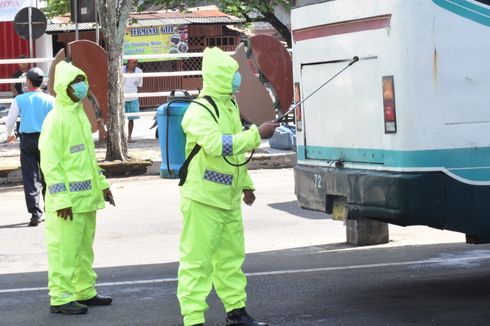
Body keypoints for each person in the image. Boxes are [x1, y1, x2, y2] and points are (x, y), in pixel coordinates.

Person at [177, 47, 279, 326]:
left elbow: (235, 155)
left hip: (229, 197)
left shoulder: (230, 105)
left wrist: (246, 184)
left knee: (231, 260)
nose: (238, 79)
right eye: (233, 74)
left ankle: (236, 311)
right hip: (203, 199)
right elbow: (217, 145)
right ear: (219, 76)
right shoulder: (199, 110)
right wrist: (257, 134)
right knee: (197, 262)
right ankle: (193, 318)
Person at [39, 61, 115, 315]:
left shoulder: (80, 114)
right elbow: (51, 164)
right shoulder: (55, 119)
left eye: (81, 81)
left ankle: (84, 290)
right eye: (75, 83)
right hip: (67, 203)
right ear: (63, 87)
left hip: (85, 199)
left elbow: (88, 160)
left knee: (84, 249)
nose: (81, 87)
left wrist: (103, 185)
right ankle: (60, 297)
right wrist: (60, 200)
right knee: (64, 250)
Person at [6, 67, 54, 226]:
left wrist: (10, 133)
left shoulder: (20, 99)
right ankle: (52, 210)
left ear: (29, 82)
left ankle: (35, 214)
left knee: (30, 177)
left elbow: (10, 120)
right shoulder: (50, 100)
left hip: (27, 141)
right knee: (49, 175)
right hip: (46, 140)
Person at [122, 58, 143, 143]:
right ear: (128, 63)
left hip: (133, 97)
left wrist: (137, 96)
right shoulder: (121, 69)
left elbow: (139, 85)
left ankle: (129, 137)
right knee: (120, 119)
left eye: (136, 62)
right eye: (133, 63)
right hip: (121, 98)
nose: (135, 64)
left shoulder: (139, 71)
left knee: (131, 119)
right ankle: (121, 137)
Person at [10, 55, 29, 137]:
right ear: (18, 63)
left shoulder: (30, 73)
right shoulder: (16, 74)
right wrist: (18, 97)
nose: (23, 63)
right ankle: (19, 132)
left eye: (25, 61)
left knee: (28, 114)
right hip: (19, 98)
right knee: (18, 116)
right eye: (21, 62)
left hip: (28, 98)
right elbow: (12, 86)